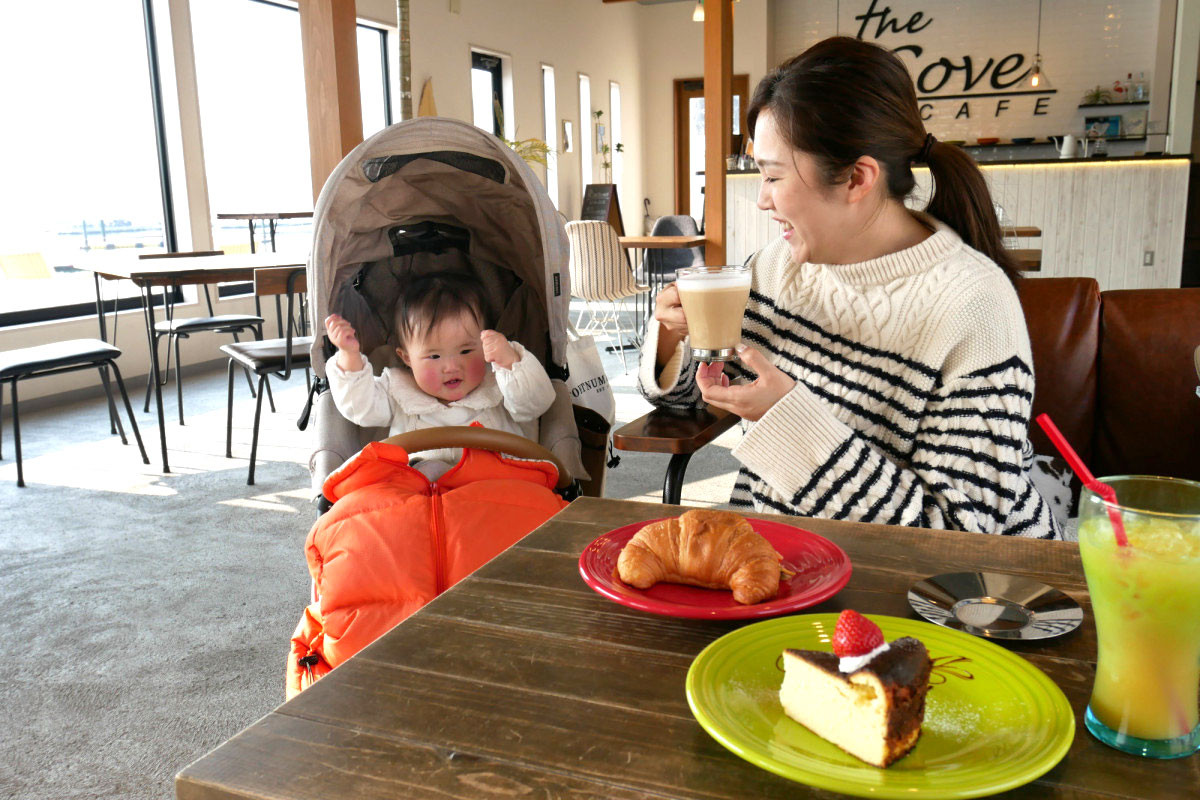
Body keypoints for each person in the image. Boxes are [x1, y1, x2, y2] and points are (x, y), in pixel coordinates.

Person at [640, 37, 1060, 539]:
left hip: (933, 595)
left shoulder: (975, 307)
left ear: (858, 178)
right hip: (787, 563)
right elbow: (690, 399)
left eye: (773, 177)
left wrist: (787, 419)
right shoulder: (776, 269)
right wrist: (674, 337)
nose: (761, 200)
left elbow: (958, 536)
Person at [325, 273, 556, 479]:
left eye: (466, 351)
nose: (451, 367)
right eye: (434, 357)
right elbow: (361, 409)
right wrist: (349, 357)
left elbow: (536, 404)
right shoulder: (397, 390)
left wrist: (511, 361)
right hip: (421, 502)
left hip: (495, 492)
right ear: (406, 358)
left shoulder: (499, 381)